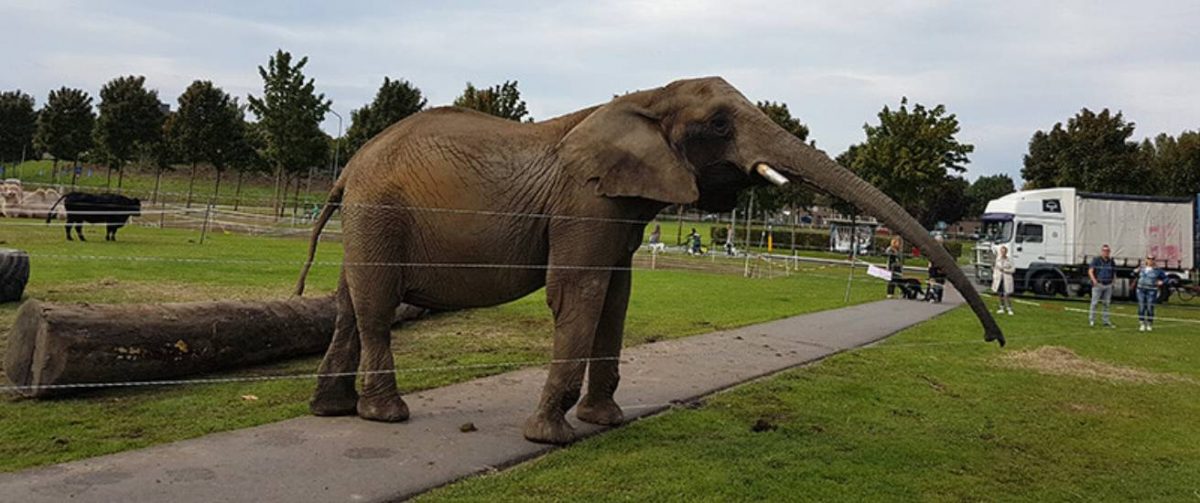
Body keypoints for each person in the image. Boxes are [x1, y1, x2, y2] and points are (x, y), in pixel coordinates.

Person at [1135, 256, 1167, 332]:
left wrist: (1162, 282)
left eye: (1152, 259)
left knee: (1150, 307)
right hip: (1141, 289)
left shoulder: (1158, 270)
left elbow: (1166, 278)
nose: (1150, 260)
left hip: (1151, 290)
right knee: (1141, 306)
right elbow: (1133, 274)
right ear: (1146, 260)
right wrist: (1135, 272)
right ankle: (1142, 323)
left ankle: (1149, 323)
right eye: (1149, 259)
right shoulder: (1142, 268)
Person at [1088, 244, 1116, 328]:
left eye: (1107, 251)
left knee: (1106, 304)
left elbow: (1114, 272)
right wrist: (1094, 281)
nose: (1106, 252)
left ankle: (1106, 321)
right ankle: (1092, 320)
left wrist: (1113, 282)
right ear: (1102, 251)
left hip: (1108, 285)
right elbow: (1090, 271)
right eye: (1104, 251)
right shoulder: (1096, 260)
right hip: (1098, 284)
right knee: (1094, 303)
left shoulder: (1111, 261)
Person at [992, 245, 1015, 315]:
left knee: (1006, 294)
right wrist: (995, 275)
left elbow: (1013, 269)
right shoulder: (998, 259)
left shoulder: (1009, 260)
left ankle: (1009, 308)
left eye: (1004, 252)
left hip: (1006, 278)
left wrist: (1005, 270)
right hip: (999, 279)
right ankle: (1001, 307)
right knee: (1000, 294)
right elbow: (996, 268)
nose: (1003, 253)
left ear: (1006, 252)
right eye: (1002, 251)